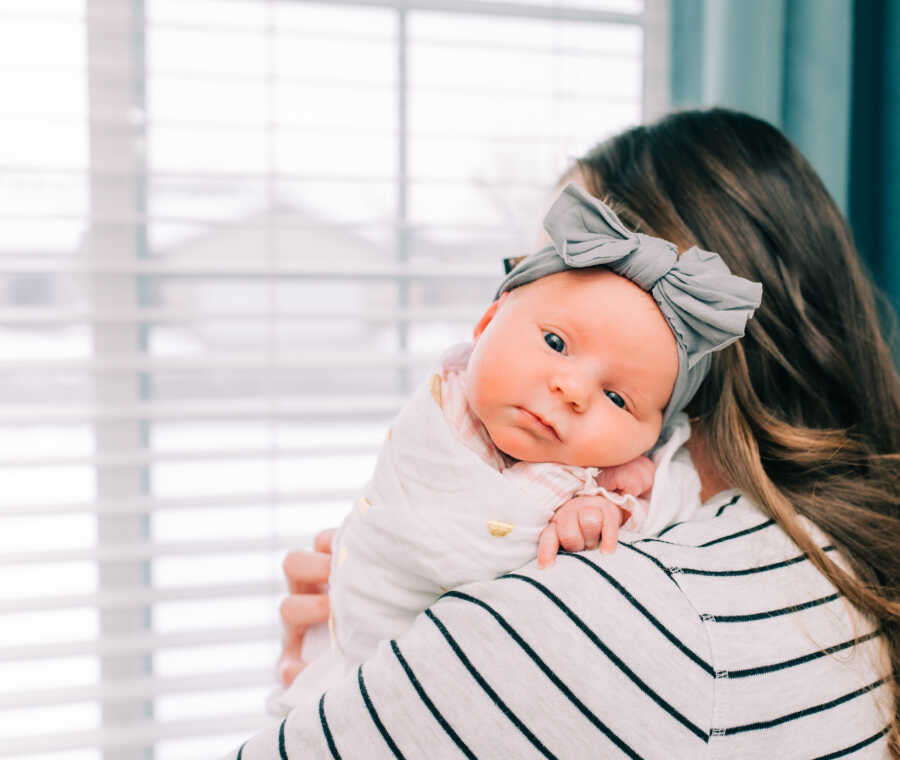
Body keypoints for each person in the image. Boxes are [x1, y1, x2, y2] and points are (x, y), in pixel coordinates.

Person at [229, 108, 899, 759]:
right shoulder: (830, 561)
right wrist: (378, 681)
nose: (565, 386)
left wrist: (360, 694)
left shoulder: (588, 617)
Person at [265, 183, 762, 716]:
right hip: (352, 634)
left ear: (656, 435)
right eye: (555, 342)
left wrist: (617, 503)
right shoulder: (447, 400)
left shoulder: (608, 493)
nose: (572, 390)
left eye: (618, 398)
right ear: (485, 323)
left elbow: (667, 499)